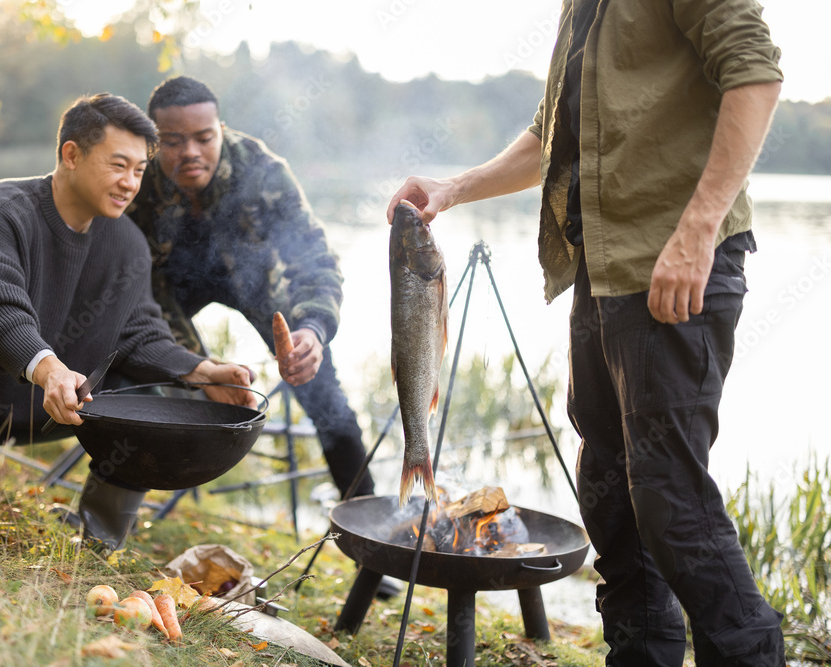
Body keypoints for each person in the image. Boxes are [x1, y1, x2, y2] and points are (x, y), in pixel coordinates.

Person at [388, 1, 785, 665]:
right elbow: (551, 133)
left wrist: (697, 231)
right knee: (611, 488)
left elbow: (756, 75)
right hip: (602, 273)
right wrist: (454, 187)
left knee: (671, 500)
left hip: (676, 269)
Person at [0, 93, 256, 550]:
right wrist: (49, 369)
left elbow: (139, 331)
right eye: (118, 165)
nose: (130, 183)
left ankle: (98, 537)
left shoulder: (128, 242)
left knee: (159, 397)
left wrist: (201, 371)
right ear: (71, 154)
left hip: (58, 405)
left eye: (138, 169)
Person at [128, 75, 375, 500]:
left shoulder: (265, 171)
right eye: (173, 142)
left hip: (257, 283)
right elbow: (130, 284)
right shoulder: (136, 179)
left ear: (220, 130)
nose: (190, 152)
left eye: (204, 138)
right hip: (168, 286)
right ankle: (136, 494)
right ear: (153, 142)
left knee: (325, 399)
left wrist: (313, 328)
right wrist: (195, 367)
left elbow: (315, 259)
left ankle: (366, 531)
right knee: (147, 362)